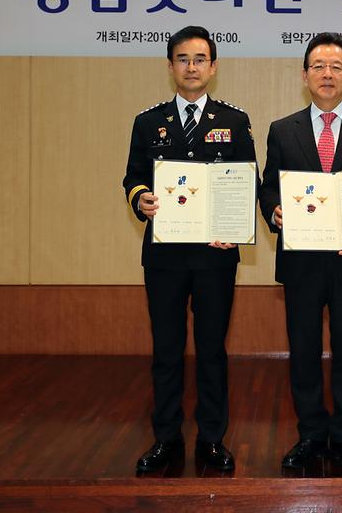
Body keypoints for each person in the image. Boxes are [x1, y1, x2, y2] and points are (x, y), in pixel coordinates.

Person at [259, 32, 342, 473]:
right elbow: (268, 189)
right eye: (318, 66)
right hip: (301, 261)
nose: (327, 74)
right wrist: (275, 211)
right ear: (304, 75)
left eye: (336, 66)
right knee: (302, 352)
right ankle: (311, 435)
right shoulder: (282, 130)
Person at [123, 25, 256, 473]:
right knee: (166, 348)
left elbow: (247, 183)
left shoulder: (235, 121)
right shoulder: (148, 121)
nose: (192, 67)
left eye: (200, 59)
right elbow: (133, 177)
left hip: (215, 255)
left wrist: (234, 226)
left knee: (212, 349)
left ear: (213, 67)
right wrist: (141, 198)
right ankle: (165, 437)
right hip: (163, 256)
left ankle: (212, 438)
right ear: (170, 66)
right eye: (183, 59)